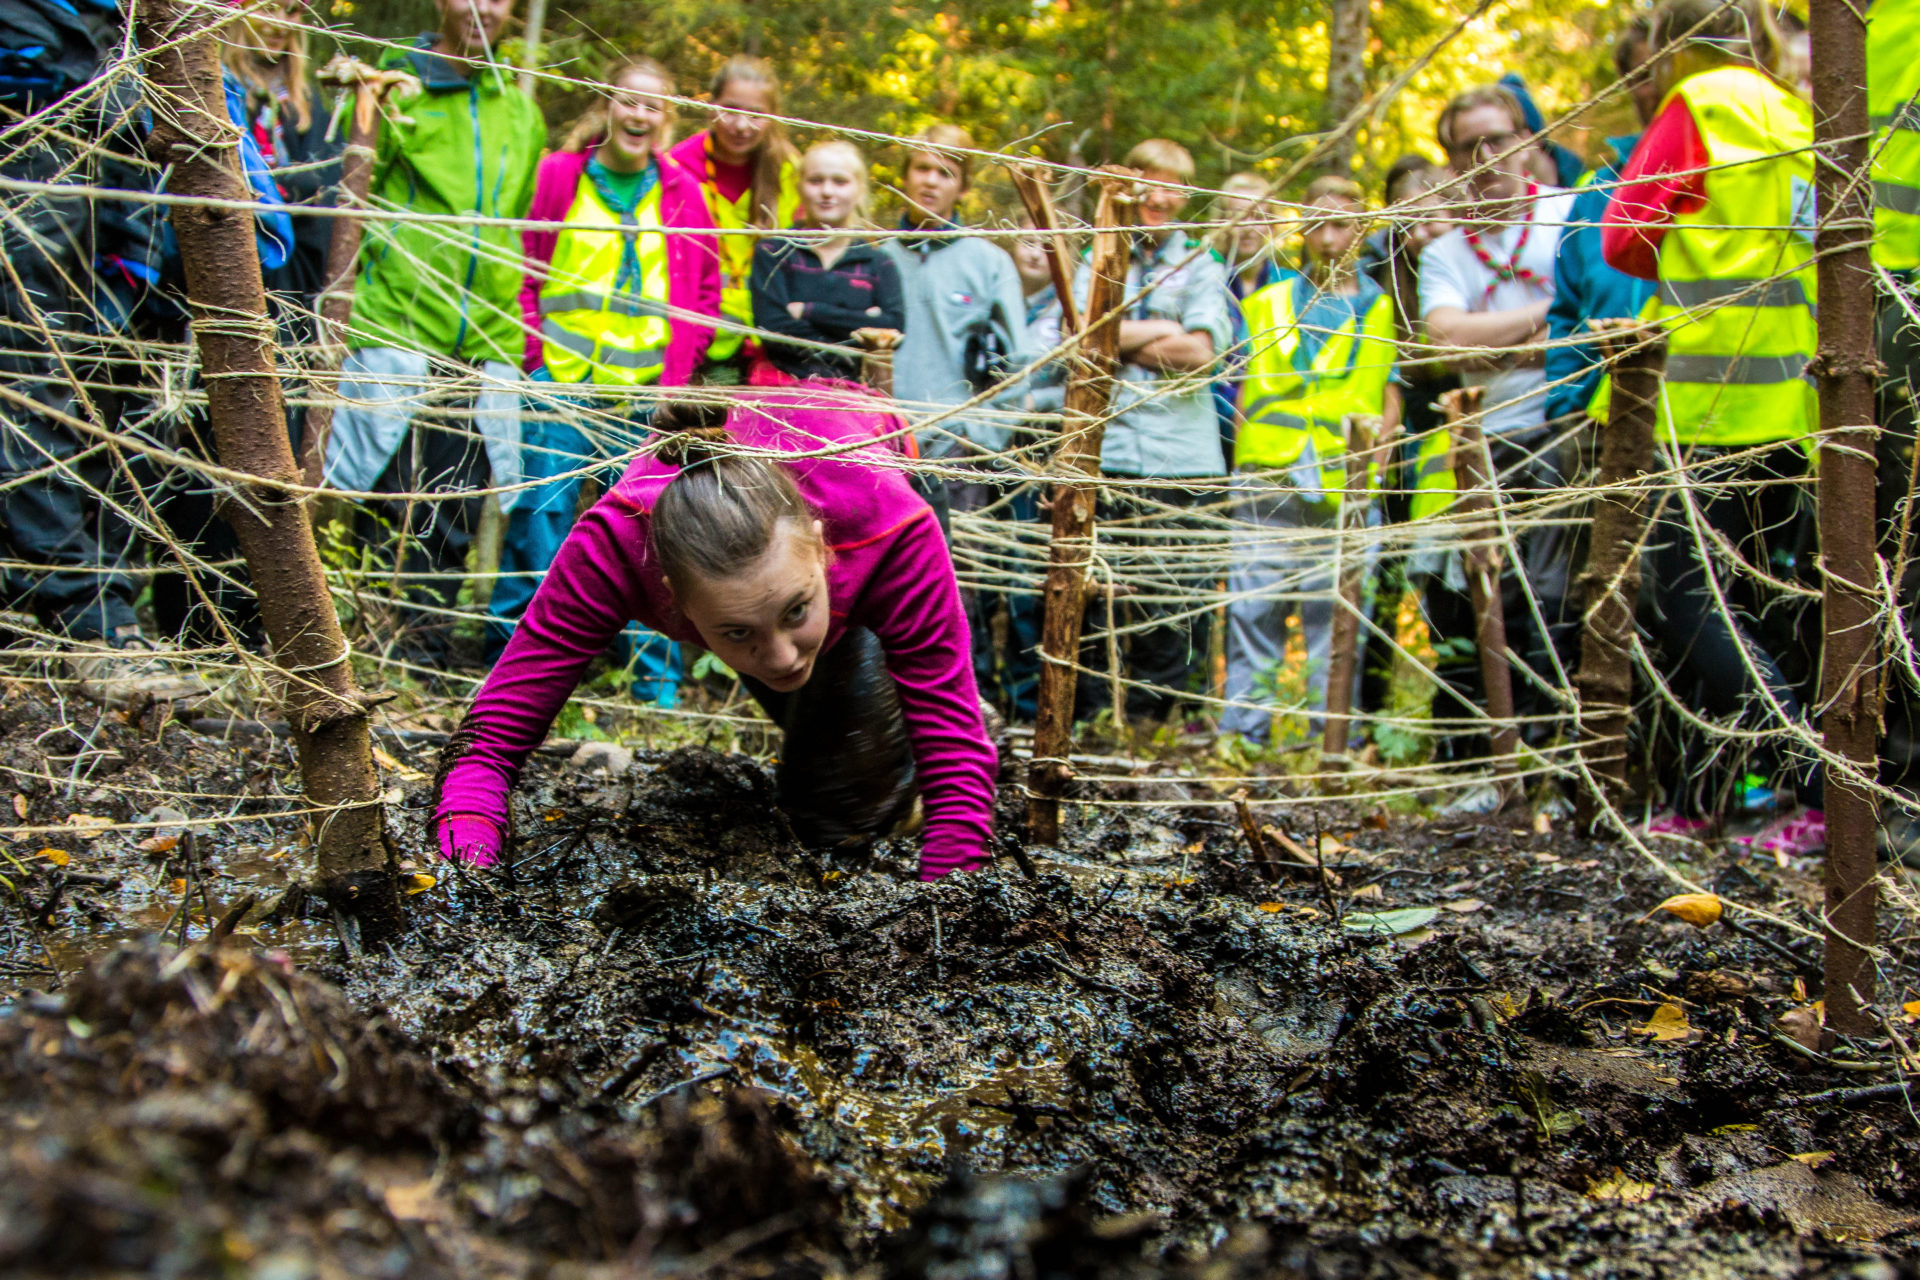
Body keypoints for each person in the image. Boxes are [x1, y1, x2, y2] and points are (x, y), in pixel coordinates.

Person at [433, 393, 998, 881]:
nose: (778, 655)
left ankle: (924, 727)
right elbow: (488, 742)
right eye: (737, 631)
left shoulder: (892, 529)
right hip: (766, 554)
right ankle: (872, 719)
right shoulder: (613, 548)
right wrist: (467, 874)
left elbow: (956, 758)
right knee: (827, 731)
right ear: (673, 599)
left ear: (824, 553)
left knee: (840, 803)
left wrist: (946, 914)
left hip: (874, 465)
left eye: (795, 610)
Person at [1601, 0, 1823, 852]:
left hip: (1705, 393)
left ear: (1669, 46)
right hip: (1790, 399)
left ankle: (1815, 782)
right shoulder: (1795, 111)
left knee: (1690, 601)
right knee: (1756, 600)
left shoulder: (1699, 103)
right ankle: (1710, 798)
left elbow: (1624, 236)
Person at [486, 57, 721, 704]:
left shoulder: (683, 194)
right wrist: (534, 355)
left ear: (666, 118)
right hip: (561, 382)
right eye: (628, 101)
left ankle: (652, 679)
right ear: (607, 105)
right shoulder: (559, 176)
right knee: (543, 515)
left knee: (649, 526)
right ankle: (521, 668)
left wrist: (680, 377)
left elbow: (704, 293)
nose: (639, 115)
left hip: (646, 394)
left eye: (653, 106)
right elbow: (523, 270)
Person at [324, 0, 545, 666]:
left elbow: (516, 221)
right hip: (398, 318)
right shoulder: (395, 85)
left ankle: (425, 656)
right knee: (379, 488)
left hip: (482, 335)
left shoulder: (521, 110)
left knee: (457, 499)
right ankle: (353, 642)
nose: (482, 7)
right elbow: (357, 196)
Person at [1415, 84, 1580, 769]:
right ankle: (1505, 761)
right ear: (1450, 163)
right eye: (1466, 147)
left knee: (1568, 594)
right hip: (1492, 440)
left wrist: (1499, 341)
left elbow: (1602, 317)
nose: (1485, 158)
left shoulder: (1573, 216)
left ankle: (1570, 753)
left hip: (1574, 426)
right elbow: (1445, 342)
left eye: (1499, 139)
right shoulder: (1445, 252)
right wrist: (1548, 323)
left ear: (1529, 143)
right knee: (1498, 594)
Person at [1221, 176, 1398, 744]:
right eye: (1317, 224)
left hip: (1344, 480)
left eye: (1341, 224)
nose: (1328, 237)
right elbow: (1245, 392)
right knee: (1254, 606)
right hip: (1267, 475)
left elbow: (1389, 396)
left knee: (1336, 614)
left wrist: (1376, 475)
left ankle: (1330, 739)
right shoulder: (1265, 301)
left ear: (1361, 230)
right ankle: (1243, 735)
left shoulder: (1382, 308)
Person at [1072, 138, 1233, 725]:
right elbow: (1077, 335)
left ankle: (1155, 732)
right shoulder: (1098, 253)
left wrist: (1116, 339)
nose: (1157, 197)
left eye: (1171, 186)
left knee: (1171, 605)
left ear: (1186, 195)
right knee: (1095, 601)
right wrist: (1155, 327)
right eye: (1147, 183)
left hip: (1181, 461)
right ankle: (1093, 726)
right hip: (1105, 452)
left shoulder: (1203, 266)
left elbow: (1198, 352)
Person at [1543, 14, 1661, 427]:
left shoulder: (1734, 168)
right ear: (1627, 85)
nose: (1660, 87)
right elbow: (1566, 309)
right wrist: (1563, 403)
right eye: (1646, 74)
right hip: (1597, 416)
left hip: (1705, 415)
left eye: (1669, 67)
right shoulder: (1598, 192)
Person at [1869, 0, 1920, 859]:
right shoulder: (1878, 25)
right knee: (1902, 546)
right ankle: (1905, 787)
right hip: (1893, 296)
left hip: (1890, 295)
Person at [668, 56, 801, 379]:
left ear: (773, 117)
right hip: (694, 331)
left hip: (768, 339)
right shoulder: (678, 166)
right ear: (710, 105)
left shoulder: (791, 172)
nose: (742, 126)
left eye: (756, 115)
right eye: (730, 109)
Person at [750, 140, 906, 383]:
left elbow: (892, 329)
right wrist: (857, 329)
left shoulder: (878, 262)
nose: (827, 191)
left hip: (854, 397)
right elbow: (772, 328)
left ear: (859, 189)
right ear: (799, 185)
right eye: (815, 180)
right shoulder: (772, 252)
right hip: (781, 391)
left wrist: (809, 310)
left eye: (840, 181)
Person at [1212, 172, 1287, 462]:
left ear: (1273, 225)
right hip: (1210, 427)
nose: (1247, 228)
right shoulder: (1207, 280)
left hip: (1267, 432)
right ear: (1222, 222)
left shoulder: (1289, 285)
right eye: (1237, 217)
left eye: (1258, 216)